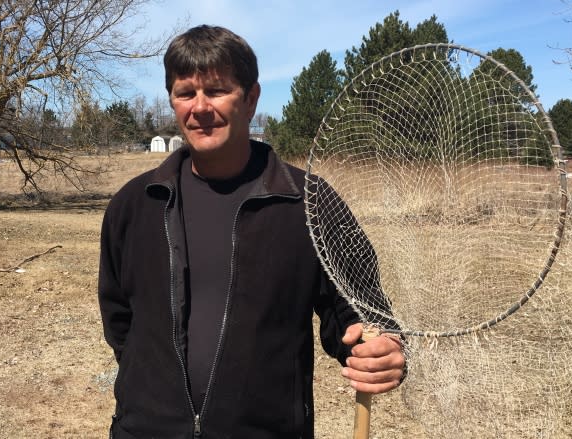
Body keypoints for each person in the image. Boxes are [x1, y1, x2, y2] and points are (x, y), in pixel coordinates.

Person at [98, 25, 405, 438]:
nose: (200, 107)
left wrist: (381, 350)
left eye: (218, 90)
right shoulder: (135, 205)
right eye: (185, 93)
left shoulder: (309, 202)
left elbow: (358, 312)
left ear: (251, 98)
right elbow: (120, 324)